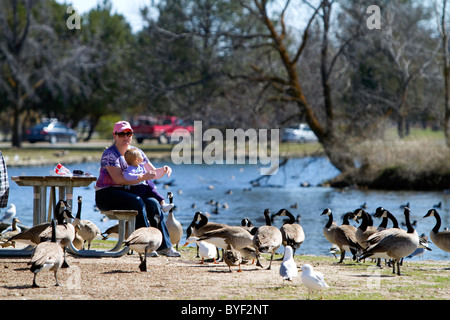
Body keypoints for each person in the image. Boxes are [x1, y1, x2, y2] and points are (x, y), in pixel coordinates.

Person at [95, 120, 180, 257]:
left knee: (153, 203)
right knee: (138, 201)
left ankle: (164, 247)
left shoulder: (136, 152)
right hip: (107, 194)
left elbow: (152, 173)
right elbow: (119, 180)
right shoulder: (110, 154)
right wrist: (142, 178)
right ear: (115, 135)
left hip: (128, 192)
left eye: (129, 133)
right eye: (122, 134)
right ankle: (144, 246)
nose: (126, 137)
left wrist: (164, 169)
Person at [123, 148, 174, 213]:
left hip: (145, 187)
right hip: (136, 189)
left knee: (154, 192)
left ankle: (163, 204)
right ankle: (142, 216)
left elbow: (153, 173)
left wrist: (163, 170)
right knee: (139, 203)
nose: (143, 157)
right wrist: (139, 177)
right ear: (136, 160)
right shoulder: (130, 169)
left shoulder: (141, 167)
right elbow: (126, 176)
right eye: (141, 156)